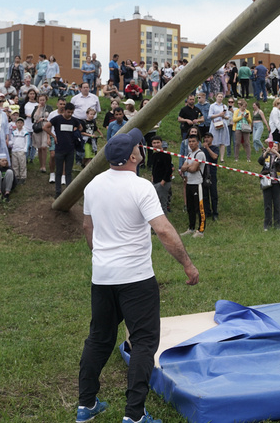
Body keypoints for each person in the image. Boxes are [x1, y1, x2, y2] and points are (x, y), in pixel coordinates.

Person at [75, 129, 198, 423]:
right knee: (143, 343)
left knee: (99, 339)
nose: (141, 146)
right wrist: (188, 265)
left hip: (102, 277)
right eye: (137, 145)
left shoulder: (92, 185)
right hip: (136, 278)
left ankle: (86, 405)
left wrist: (101, 256)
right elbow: (165, 230)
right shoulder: (141, 187)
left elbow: (87, 228)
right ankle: (134, 415)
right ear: (132, 156)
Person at [49, 102, 79, 199]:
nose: (70, 114)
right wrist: (53, 136)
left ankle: (68, 192)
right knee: (58, 171)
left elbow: (80, 127)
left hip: (70, 149)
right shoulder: (57, 119)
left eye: (72, 112)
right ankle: (58, 191)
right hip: (59, 149)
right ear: (64, 110)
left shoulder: (74, 120)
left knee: (68, 171)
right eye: (68, 112)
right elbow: (45, 127)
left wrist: (75, 131)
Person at [180, 134, 207, 237]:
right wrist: (189, 167)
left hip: (197, 183)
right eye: (190, 141)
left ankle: (200, 230)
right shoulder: (190, 154)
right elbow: (183, 168)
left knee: (199, 208)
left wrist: (189, 167)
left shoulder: (200, 154)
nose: (191, 143)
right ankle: (191, 228)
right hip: (189, 183)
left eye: (193, 141)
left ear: (198, 142)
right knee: (190, 207)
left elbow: (193, 169)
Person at [258, 140, 280, 230]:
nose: (273, 148)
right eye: (272, 146)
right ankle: (267, 225)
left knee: (277, 204)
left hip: (277, 183)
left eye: (275, 147)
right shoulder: (267, 155)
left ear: (278, 148)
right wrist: (266, 151)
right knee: (267, 205)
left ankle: (278, 225)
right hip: (267, 183)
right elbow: (260, 161)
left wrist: (277, 154)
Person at [147, 136, 173, 214]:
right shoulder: (154, 155)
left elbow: (169, 170)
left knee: (162, 205)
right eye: (154, 143)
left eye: (158, 142)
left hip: (163, 183)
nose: (156, 144)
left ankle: (164, 224)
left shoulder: (166, 155)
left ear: (161, 143)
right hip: (155, 181)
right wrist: (152, 179)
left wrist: (163, 182)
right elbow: (154, 168)